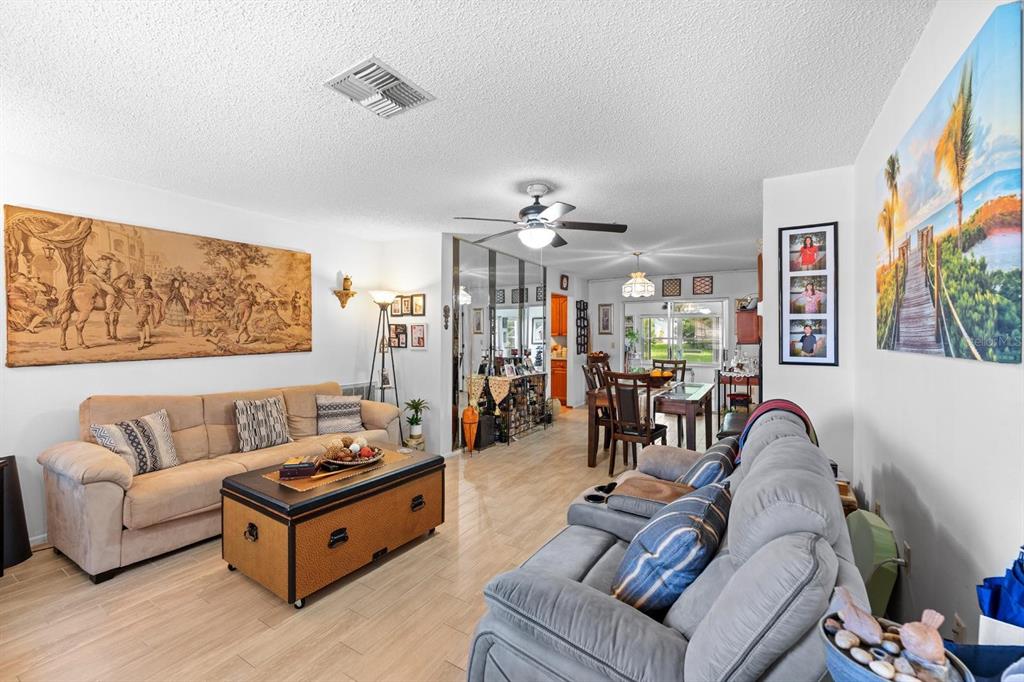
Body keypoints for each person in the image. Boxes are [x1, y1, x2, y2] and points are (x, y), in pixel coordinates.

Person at [133, 275, 163, 350]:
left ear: (145, 282)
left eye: (142, 281)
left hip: (145, 309)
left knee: (138, 323)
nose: (140, 282)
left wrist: (150, 302)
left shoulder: (148, 291)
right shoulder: (141, 289)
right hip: (141, 308)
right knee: (145, 322)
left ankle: (141, 343)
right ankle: (148, 339)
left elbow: (158, 299)